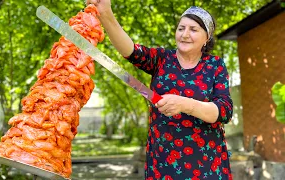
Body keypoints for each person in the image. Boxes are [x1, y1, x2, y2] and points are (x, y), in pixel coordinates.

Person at [85, 0, 233, 179]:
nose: (185, 34)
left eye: (193, 29)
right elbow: (130, 50)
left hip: (207, 164)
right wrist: (105, 14)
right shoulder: (162, 59)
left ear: (206, 37)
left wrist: (185, 104)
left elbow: (224, 111)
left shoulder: (214, 65)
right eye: (181, 28)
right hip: (163, 163)